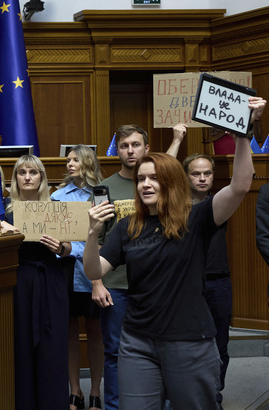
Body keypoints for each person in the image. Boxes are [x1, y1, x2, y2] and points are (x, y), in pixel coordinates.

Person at [84, 95, 264, 409]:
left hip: (189, 340)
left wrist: (242, 135)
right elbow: (94, 270)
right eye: (141, 178)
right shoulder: (128, 226)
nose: (145, 184)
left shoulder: (197, 217)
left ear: (171, 182)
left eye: (155, 178)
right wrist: (91, 234)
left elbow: (240, 186)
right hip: (137, 342)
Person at [167, 124, 233, 409]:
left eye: (207, 173)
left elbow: (241, 182)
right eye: (196, 173)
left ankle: (213, 397)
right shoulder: (174, 205)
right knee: (183, 344)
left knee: (220, 345)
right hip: (184, 283)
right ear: (185, 176)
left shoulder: (220, 203)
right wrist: (177, 139)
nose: (203, 178)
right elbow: (162, 176)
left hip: (217, 282)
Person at [6, 155, 71, 410]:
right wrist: (4, 226)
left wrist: (60, 248)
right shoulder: (4, 207)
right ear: (15, 177)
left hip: (49, 279)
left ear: (41, 177)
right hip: (18, 280)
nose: (27, 177)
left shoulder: (55, 206)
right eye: (22, 172)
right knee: (20, 345)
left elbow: (68, 247)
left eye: (33, 172)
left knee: (52, 347)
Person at [93, 124, 149, 410]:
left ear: (146, 149)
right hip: (116, 284)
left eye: (136, 145)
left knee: (157, 349)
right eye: (124, 145)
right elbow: (95, 238)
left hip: (153, 283)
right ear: (117, 150)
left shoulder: (156, 184)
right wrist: (97, 284)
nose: (130, 150)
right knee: (114, 351)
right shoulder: (104, 189)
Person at [51, 145, 104, 410]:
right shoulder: (57, 196)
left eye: (76, 160)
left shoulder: (100, 194)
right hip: (65, 269)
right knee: (69, 331)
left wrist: (75, 248)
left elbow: (104, 235)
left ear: (88, 163)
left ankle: (95, 392)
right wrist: (71, 247)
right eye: (68, 160)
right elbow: (56, 235)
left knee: (95, 331)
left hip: (94, 271)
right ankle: (75, 391)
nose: (70, 164)